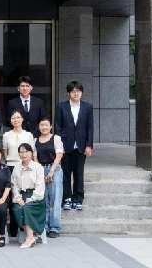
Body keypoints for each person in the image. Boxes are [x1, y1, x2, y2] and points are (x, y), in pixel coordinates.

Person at [55, 80, 94, 211]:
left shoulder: (87, 107)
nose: (76, 93)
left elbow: (90, 128)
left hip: (81, 146)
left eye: (78, 91)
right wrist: (59, 146)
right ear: (68, 93)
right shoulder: (61, 106)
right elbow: (58, 127)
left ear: (81, 93)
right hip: (65, 146)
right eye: (73, 91)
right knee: (65, 173)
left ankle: (78, 198)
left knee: (79, 174)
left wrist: (89, 145)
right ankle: (66, 198)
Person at [2, 109, 35, 237]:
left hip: (24, 167)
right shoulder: (6, 135)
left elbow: (32, 153)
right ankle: (13, 228)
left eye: (18, 117)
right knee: (12, 198)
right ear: (10, 121)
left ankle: (24, 226)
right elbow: (5, 153)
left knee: (24, 195)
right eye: (13, 118)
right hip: (10, 166)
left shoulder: (28, 135)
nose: (15, 120)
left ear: (22, 119)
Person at [11, 143, 46, 248]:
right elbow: (14, 185)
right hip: (21, 196)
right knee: (17, 209)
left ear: (31, 153)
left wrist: (30, 199)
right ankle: (31, 236)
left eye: (26, 151)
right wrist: (18, 198)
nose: (23, 154)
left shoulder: (38, 167)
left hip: (35, 197)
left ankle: (29, 238)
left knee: (26, 208)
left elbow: (40, 187)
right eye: (21, 152)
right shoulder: (17, 167)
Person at [35, 116, 64, 238]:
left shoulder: (56, 138)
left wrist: (51, 171)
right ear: (39, 127)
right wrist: (40, 172)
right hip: (40, 170)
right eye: (42, 125)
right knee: (43, 199)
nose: (44, 127)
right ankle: (44, 226)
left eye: (46, 125)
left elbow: (59, 155)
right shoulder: (35, 140)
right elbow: (35, 157)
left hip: (54, 170)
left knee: (55, 199)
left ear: (51, 126)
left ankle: (54, 227)